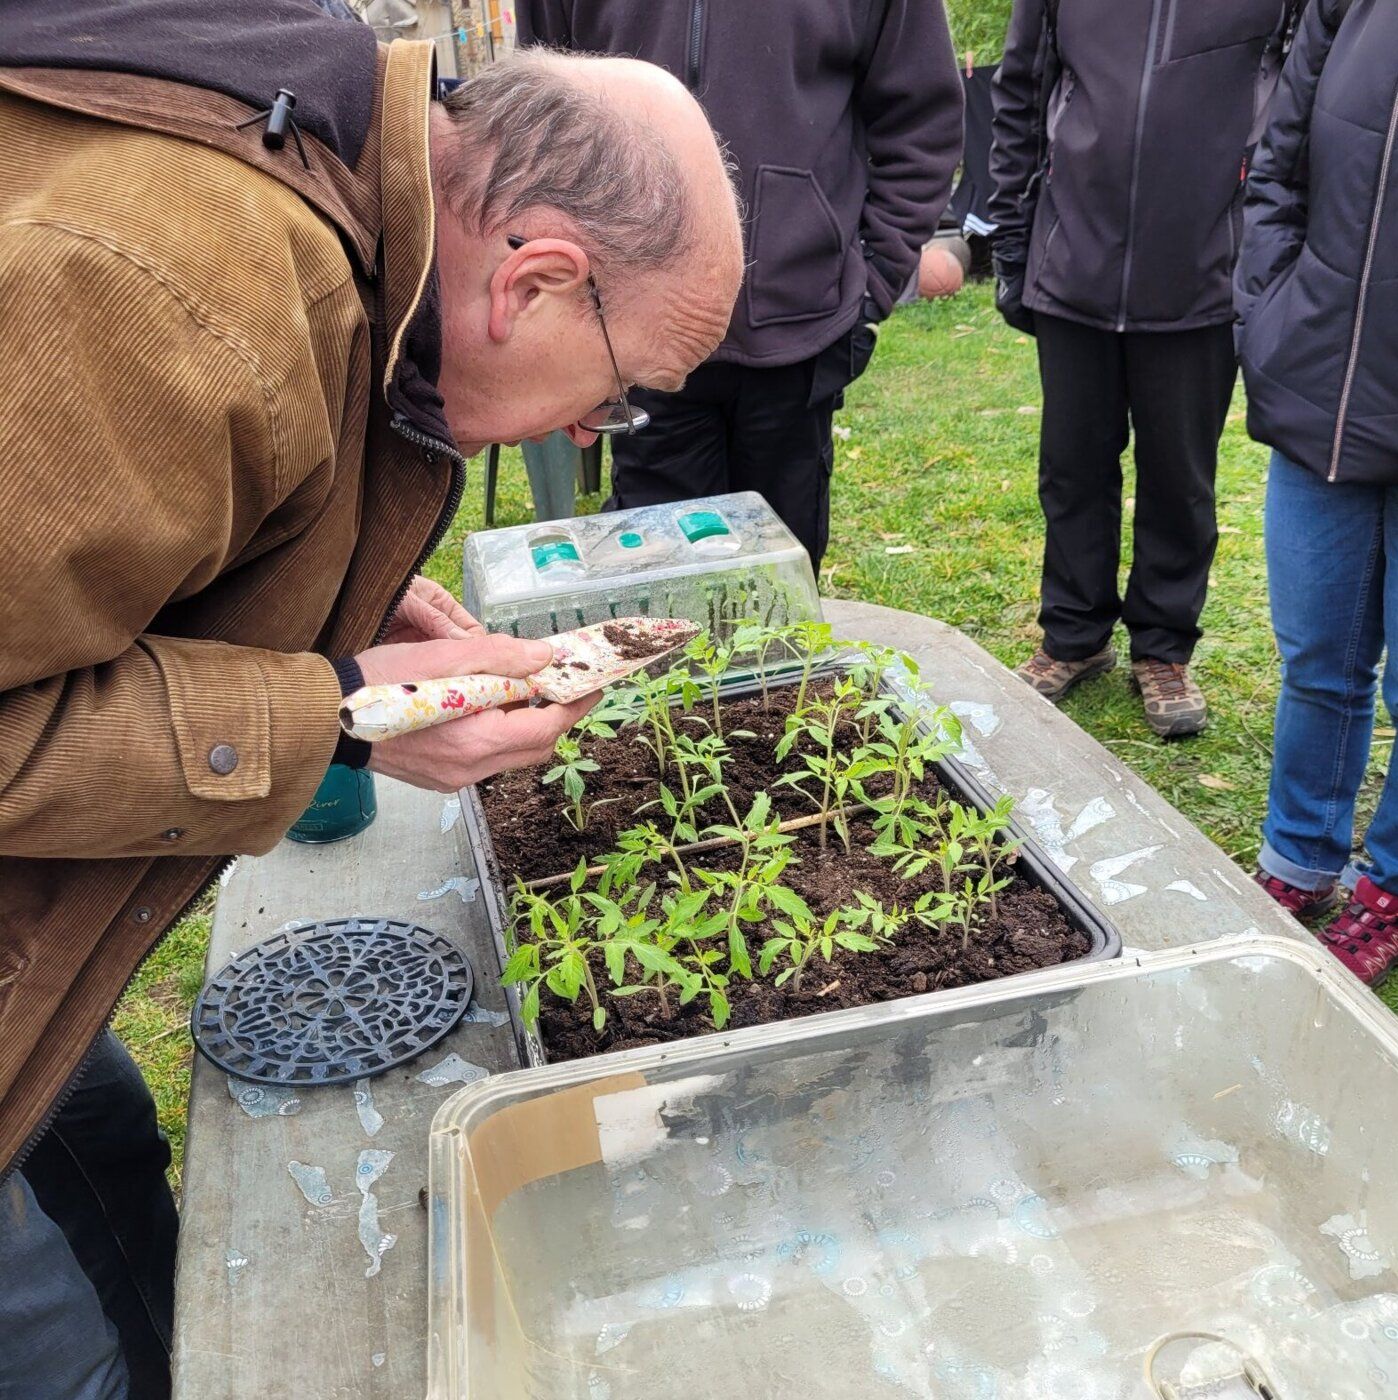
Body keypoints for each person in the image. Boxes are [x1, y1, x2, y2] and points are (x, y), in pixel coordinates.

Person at [0, 1, 744, 1392]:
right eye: (623, 391)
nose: (594, 432)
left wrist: (302, 583)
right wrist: (337, 706)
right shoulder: (182, 292)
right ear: (532, 280)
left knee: (91, 1136)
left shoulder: (325, 150)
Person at [515, 0, 964, 574]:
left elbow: (921, 120)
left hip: (798, 329)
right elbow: (543, 107)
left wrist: (872, 279)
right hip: (632, 329)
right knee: (656, 588)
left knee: (778, 589)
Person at [989, 0, 1302, 738]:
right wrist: (1011, 238)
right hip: (1073, 261)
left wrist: (1264, 259)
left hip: (1202, 271)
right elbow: (1021, 95)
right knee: (1071, 466)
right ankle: (1074, 635)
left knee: (1181, 475)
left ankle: (1162, 647)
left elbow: (1297, 110)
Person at [1236, 0, 1398, 984]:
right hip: (1321, 392)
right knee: (1317, 659)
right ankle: (1299, 854)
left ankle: (1390, 882)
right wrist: (1267, 314)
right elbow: (1275, 170)